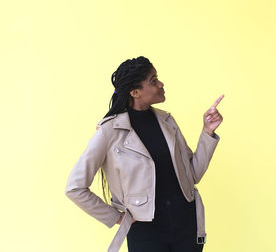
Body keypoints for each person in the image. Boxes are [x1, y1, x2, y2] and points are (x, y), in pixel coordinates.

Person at [65, 56, 223, 252]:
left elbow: (192, 176)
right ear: (135, 92)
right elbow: (75, 187)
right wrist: (117, 218)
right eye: (153, 81)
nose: (161, 84)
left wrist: (207, 131)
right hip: (145, 232)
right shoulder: (109, 131)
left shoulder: (167, 121)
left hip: (186, 225)